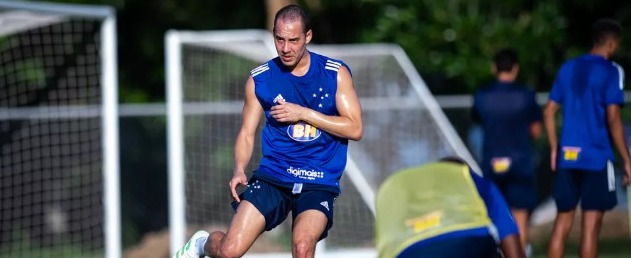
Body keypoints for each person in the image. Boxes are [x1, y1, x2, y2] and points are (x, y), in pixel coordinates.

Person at [172, 4, 363, 258]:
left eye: (293, 40)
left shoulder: (334, 74)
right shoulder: (260, 79)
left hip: (319, 179)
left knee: (303, 247)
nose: (285, 48)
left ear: (308, 36)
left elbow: (355, 127)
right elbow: (247, 132)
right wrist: (239, 168)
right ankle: (201, 243)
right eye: (279, 39)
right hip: (274, 176)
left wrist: (304, 113)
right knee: (229, 251)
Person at [543, 18, 631, 258]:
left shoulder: (568, 67)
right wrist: (627, 158)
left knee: (562, 223)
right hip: (596, 156)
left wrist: (554, 147)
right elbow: (613, 119)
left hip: (568, 156)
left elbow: (549, 111)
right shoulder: (612, 71)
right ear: (612, 44)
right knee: (590, 228)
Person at [375, 156, 525, 258]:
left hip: (408, 251)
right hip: (467, 242)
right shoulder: (470, 179)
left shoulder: (395, 189)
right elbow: (509, 236)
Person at [472, 48, 542, 252]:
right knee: (519, 216)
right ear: (516, 68)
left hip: (492, 161)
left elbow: (478, 122)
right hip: (519, 161)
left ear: (494, 68)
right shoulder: (526, 95)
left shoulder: (482, 95)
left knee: (492, 215)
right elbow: (536, 131)